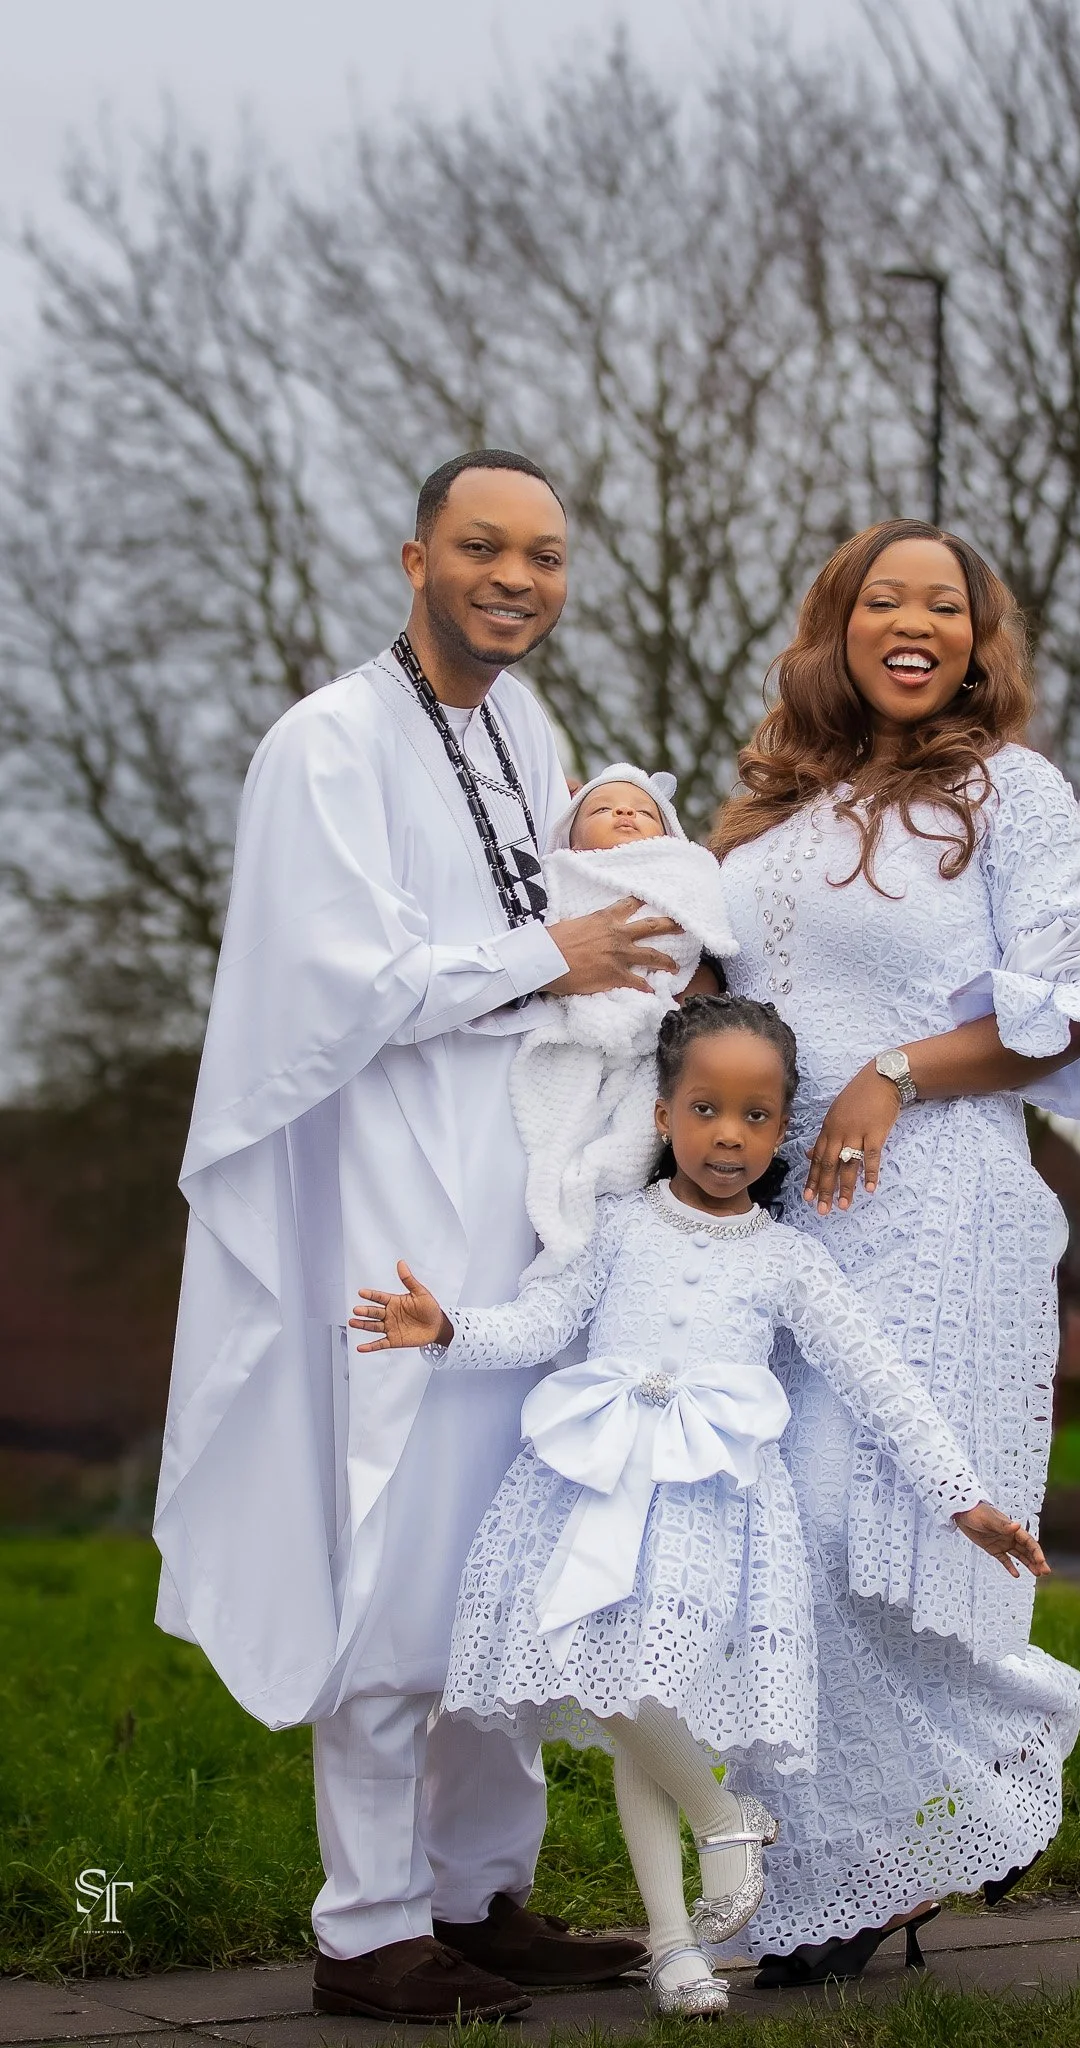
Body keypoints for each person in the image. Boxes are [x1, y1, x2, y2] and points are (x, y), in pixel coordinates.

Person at [154, 450, 688, 2023]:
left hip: (523, 1197)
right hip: (394, 1197)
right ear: (416, 559)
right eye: (482, 547)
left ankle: (480, 1892)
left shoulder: (528, 731)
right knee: (396, 1539)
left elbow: (596, 923)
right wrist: (556, 950)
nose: (517, 577)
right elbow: (337, 987)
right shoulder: (324, 745)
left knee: (505, 1537)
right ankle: (367, 1921)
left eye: (544, 554)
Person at [349, 995, 1048, 2016]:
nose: (730, 1135)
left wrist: (963, 1500)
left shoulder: (787, 1257)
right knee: (612, 1683)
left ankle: (681, 1935)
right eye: (708, 1108)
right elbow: (543, 1319)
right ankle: (712, 1849)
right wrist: (448, 1326)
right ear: (663, 1114)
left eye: (758, 1116)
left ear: (781, 1128)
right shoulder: (615, 1227)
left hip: (712, 1508)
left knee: (648, 1699)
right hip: (589, 1484)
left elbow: (878, 1379)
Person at [712, 518, 1080, 1983]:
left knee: (871, 1514)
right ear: (835, 625)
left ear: (978, 639)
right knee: (780, 1536)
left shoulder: (1005, 793)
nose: (917, 624)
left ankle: (993, 1754)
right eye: (883, 599)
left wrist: (891, 1072)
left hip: (935, 1199)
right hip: (779, 1221)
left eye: (947, 606)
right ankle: (833, 1880)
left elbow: (1071, 1021)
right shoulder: (774, 811)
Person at [511, 763, 735, 1273]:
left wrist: (689, 978)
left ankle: (604, 1180)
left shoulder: (681, 867)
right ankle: (562, 1199)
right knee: (560, 1123)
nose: (625, 814)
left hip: (653, 1025)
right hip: (577, 1020)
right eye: (603, 808)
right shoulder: (560, 872)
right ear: (569, 830)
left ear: (669, 831)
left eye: (642, 810)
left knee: (642, 1118)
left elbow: (703, 931)